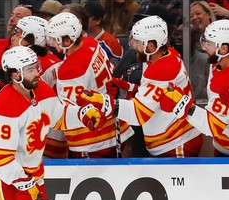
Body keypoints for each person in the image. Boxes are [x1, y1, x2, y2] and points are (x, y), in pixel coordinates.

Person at [0, 46, 106, 200]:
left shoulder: (39, 88)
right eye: (30, 70)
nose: (37, 73)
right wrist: (24, 182)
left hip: (30, 170)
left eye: (36, 67)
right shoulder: (6, 106)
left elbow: (57, 115)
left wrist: (81, 114)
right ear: (15, 75)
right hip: (2, 174)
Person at [77, 15, 204, 157]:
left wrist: (104, 102)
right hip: (171, 139)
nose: (133, 46)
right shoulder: (166, 54)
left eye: (137, 42)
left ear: (151, 45)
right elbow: (157, 96)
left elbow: (139, 114)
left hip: (177, 142)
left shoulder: (162, 70)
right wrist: (132, 89)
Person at [47, 12, 134, 158]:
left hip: (92, 141)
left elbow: (70, 110)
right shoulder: (91, 43)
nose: (53, 43)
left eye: (56, 39)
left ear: (68, 40)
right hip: (116, 125)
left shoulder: (70, 70)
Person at [159, 19, 229, 157]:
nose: (203, 48)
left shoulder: (225, 82)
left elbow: (213, 126)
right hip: (221, 147)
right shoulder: (216, 63)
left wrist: (184, 106)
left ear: (223, 48)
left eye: (209, 43)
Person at [13, 15, 68, 158]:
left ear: (32, 38)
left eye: (18, 33)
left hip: (42, 136)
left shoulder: (33, 66)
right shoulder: (53, 59)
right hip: (57, 134)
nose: (13, 37)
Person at [83, 0, 123, 68]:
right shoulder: (81, 39)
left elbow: (114, 72)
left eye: (85, 18)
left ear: (98, 20)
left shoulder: (111, 43)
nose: (81, 20)